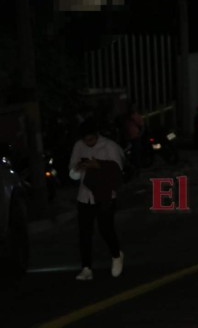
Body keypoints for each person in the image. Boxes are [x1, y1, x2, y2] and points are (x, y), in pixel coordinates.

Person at [69, 118, 125, 281]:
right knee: (85, 233)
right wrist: (79, 167)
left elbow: (117, 171)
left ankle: (116, 255)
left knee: (106, 228)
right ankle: (86, 268)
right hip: (84, 196)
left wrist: (99, 165)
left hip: (105, 196)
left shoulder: (109, 146)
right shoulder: (79, 147)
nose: (89, 143)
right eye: (86, 140)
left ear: (97, 135)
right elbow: (72, 172)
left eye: (91, 140)